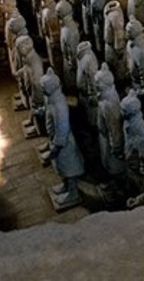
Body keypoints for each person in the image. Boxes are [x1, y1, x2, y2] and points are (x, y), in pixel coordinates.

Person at [43, 67, 85, 208]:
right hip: (57, 140)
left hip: (64, 143)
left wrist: (57, 144)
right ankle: (66, 185)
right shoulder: (52, 99)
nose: (42, 89)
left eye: (44, 87)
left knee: (69, 167)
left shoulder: (59, 104)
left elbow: (63, 127)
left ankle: (73, 192)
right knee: (62, 166)